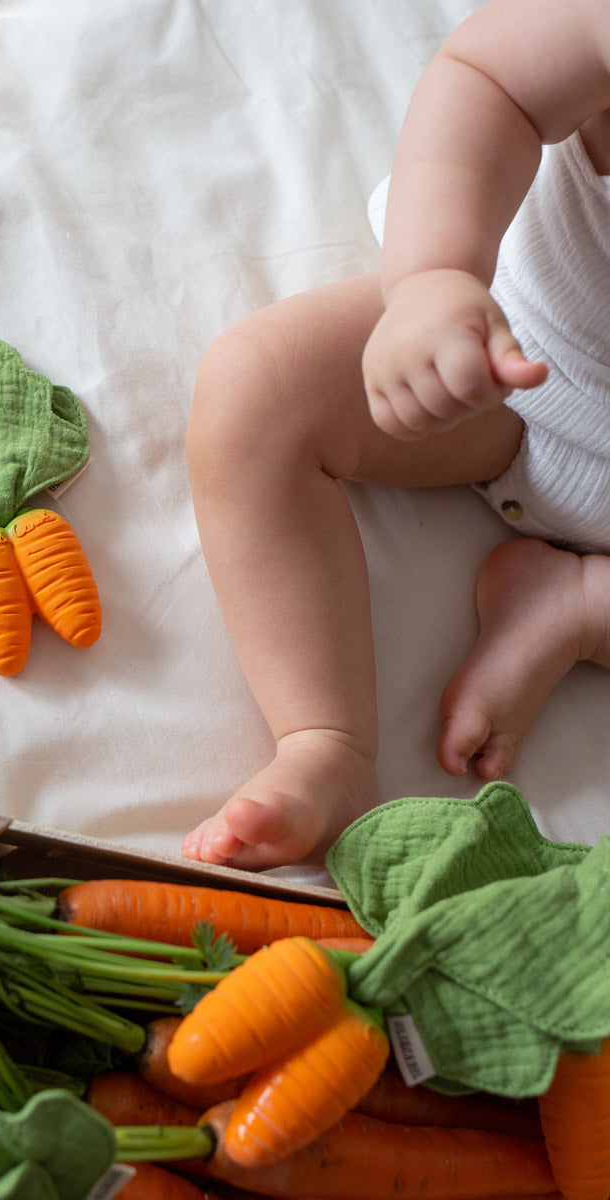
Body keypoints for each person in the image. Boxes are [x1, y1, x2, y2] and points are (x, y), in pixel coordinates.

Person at [181, 0, 610, 870]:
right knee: (256, 390)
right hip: (514, 337)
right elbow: (492, 81)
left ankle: (579, 608)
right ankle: (324, 742)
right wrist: (435, 278)